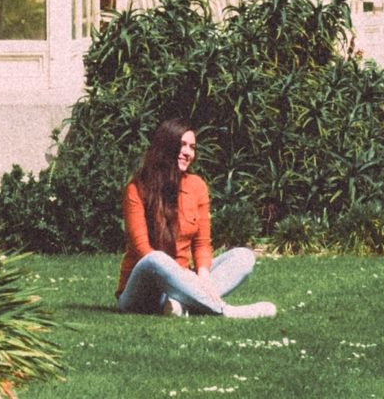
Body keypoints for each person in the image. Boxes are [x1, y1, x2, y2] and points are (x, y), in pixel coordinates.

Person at [115, 119, 275, 318]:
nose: (188, 153)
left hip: (182, 281)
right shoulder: (137, 188)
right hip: (143, 291)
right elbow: (141, 249)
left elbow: (201, 243)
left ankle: (180, 305)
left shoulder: (197, 186)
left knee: (243, 256)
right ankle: (224, 310)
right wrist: (184, 277)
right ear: (165, 146)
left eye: (192, 147)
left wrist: (203, 275)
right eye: (182, 145)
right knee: (155, 259)